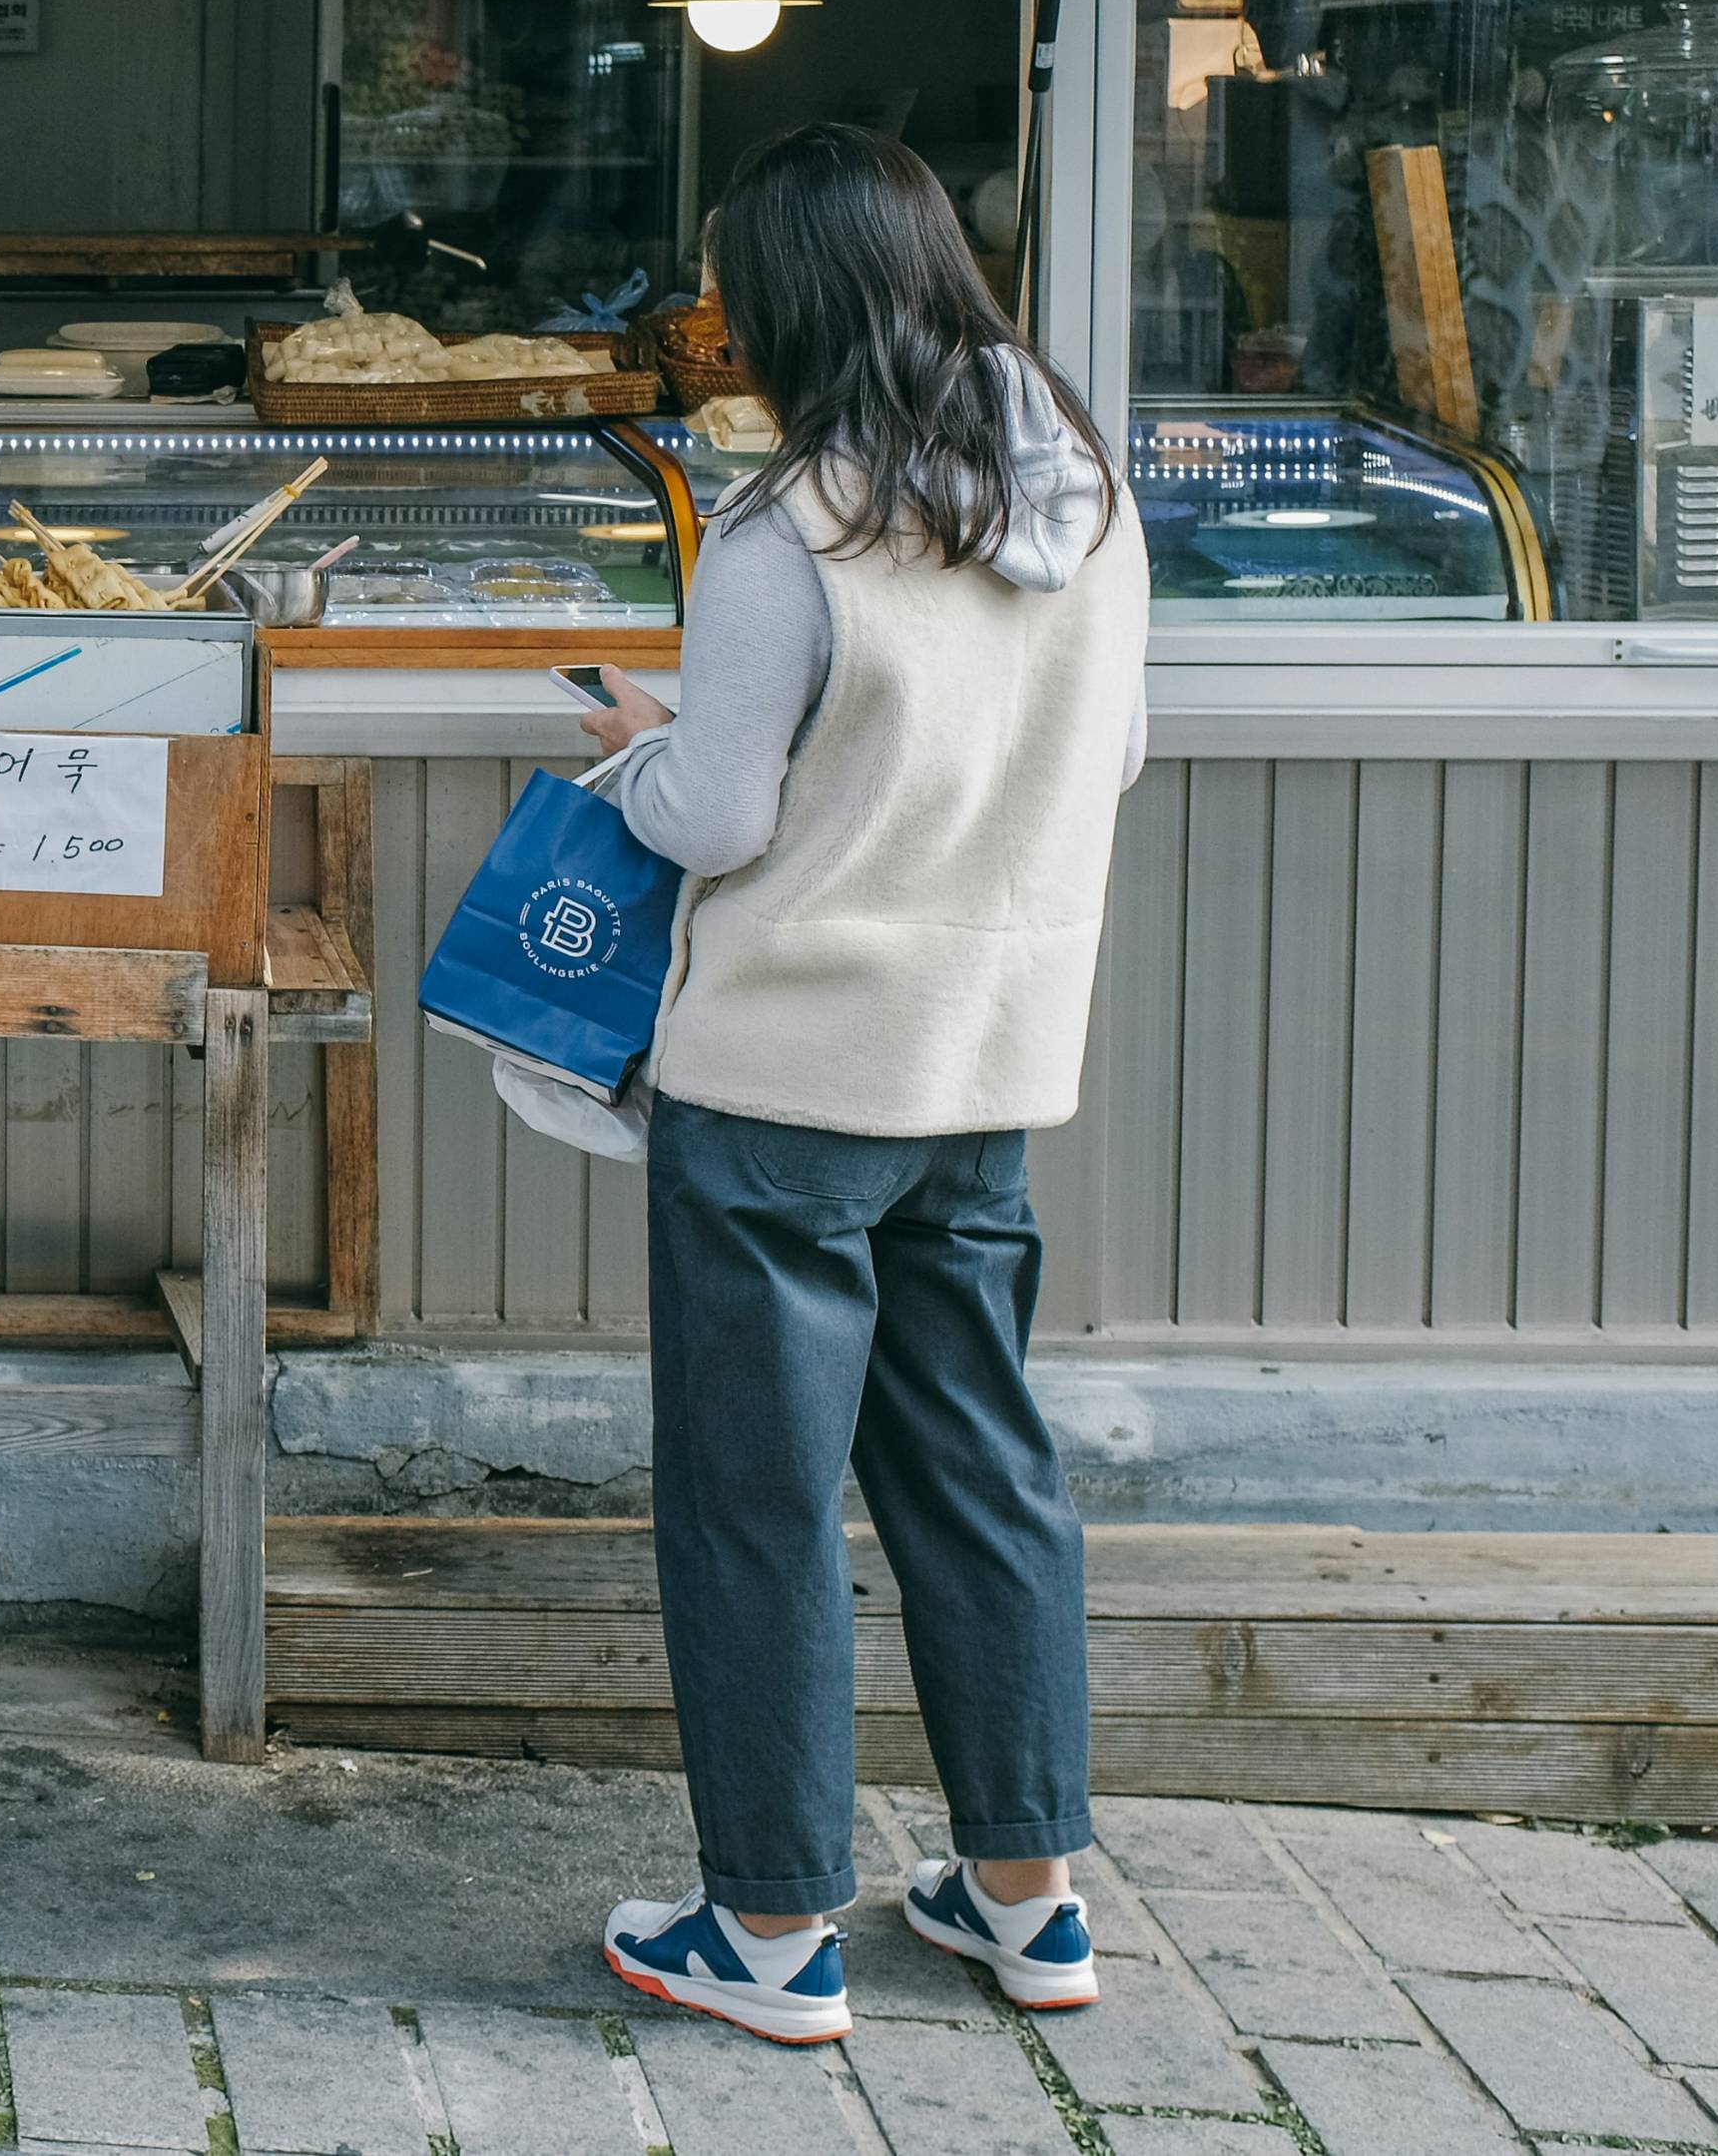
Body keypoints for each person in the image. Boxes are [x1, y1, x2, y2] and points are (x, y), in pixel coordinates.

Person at [569, 123, 1149, 2046]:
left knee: (758, 1502)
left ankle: (771, 1926)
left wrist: (642, 756)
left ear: (794, 302)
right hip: (984, 1068)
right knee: (983, 1471)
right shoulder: (1087, 501)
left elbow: (722, 810)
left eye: (737, 287)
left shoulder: (786, 530)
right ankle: (1028, 1895)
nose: (721, 324)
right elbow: (1110, 756)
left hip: (790, 1082)